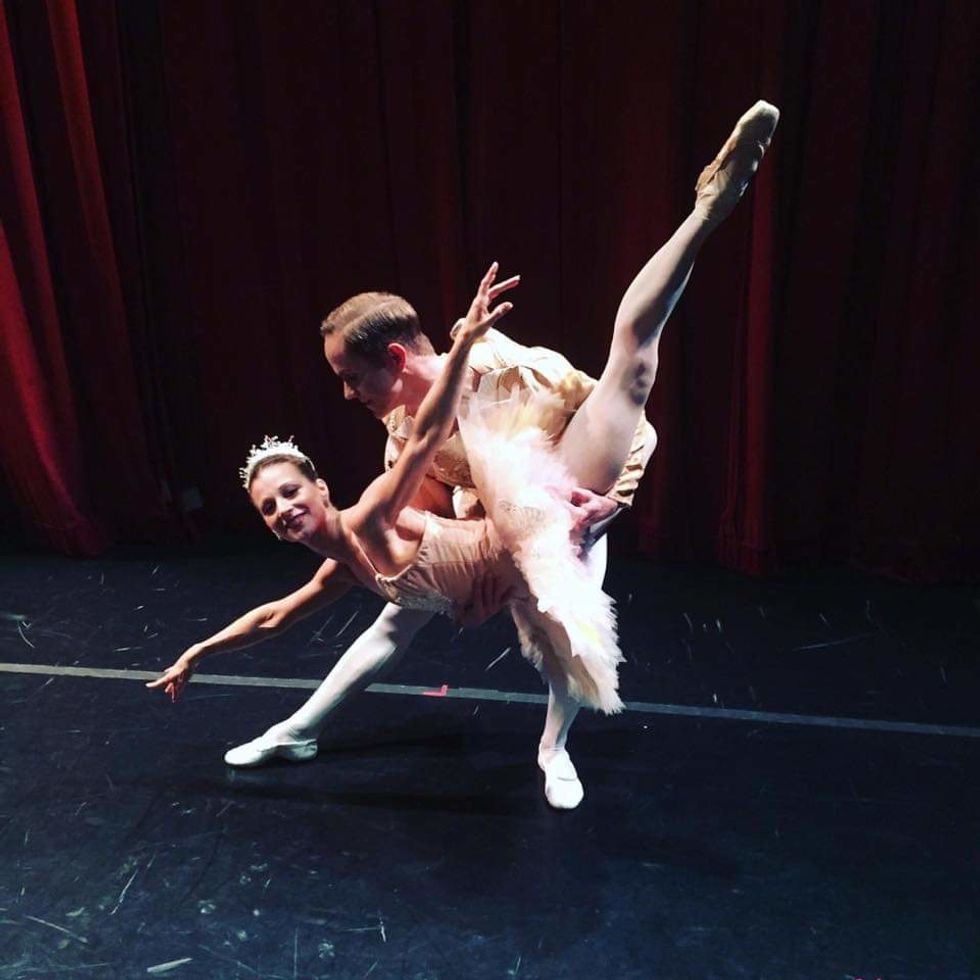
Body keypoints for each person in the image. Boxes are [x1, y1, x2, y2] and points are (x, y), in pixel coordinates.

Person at [148, 100, 780, 809]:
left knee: (627, 378)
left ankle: (706, 211)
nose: (350, 396)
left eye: (353, 379)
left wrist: (607, 507)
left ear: (393, 357)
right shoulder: (397, 442)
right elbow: (429, 518)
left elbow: (600, 426)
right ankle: (298, 728)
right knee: (393, 612)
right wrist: (473, 559)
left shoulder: (496, 361)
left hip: (570, 485)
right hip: (494, 528)